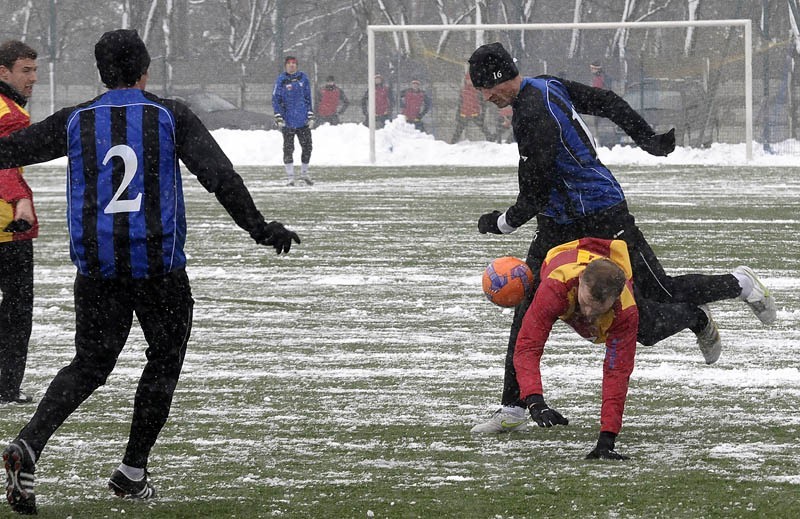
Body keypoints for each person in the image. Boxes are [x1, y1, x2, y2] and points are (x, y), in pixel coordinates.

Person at [0, 29, 300, 515]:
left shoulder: (77, 119)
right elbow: (219, 174)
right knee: (164, 357)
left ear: (102, 73)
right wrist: (259, 228)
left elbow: (11, 151)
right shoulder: (169, 115)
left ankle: (31, 442)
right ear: (145, 71)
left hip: (98, 268)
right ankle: (132, 471)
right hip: (158, 267)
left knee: (90, 365)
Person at [466, 42, 777, 436]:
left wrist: (500, 224)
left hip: (600, 213)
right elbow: (607, 101)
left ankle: (739, 284)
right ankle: (513, 405)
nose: (486, 96)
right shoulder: (545, 86)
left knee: (659, 293)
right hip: (558, 224)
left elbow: (535, 192)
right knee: (526, 299)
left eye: (486, 88)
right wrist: (646, 138)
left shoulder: (533, 113)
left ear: (500, 78)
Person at [0, 40, 38, 405]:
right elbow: (5, 165)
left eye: (34, 70)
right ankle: (7, 387)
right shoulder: (9, 113)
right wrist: (21, 201)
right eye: (25, 71)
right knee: (16, 310)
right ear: (3, 72)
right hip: (7, 229)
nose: (33, 78)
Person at [272, 56, 314, 186]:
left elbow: (308, 98)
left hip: (302, 121)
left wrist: (310, 115)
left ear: (297, 65)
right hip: (288, 121)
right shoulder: (281, 80)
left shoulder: (303, 78)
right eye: (289, 63)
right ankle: (290, 177)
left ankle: (304, 173)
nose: (292, 66)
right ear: (285, 66)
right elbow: (276, 99)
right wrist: (278, 116)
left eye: (294, 63)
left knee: (307, 147)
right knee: (288, 148)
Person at [451, 72, 493, 143]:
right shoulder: (463, 91)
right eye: (467, 80)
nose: (469, 82)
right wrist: (457, 114)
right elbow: (460, 104)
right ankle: (453, 142)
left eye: (470, 80)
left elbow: (483, 104)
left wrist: (483, 114)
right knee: (458, 130)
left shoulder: (478, 91)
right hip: (464, 113)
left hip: (475, 113)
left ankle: (491, 139)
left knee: (483, 128)